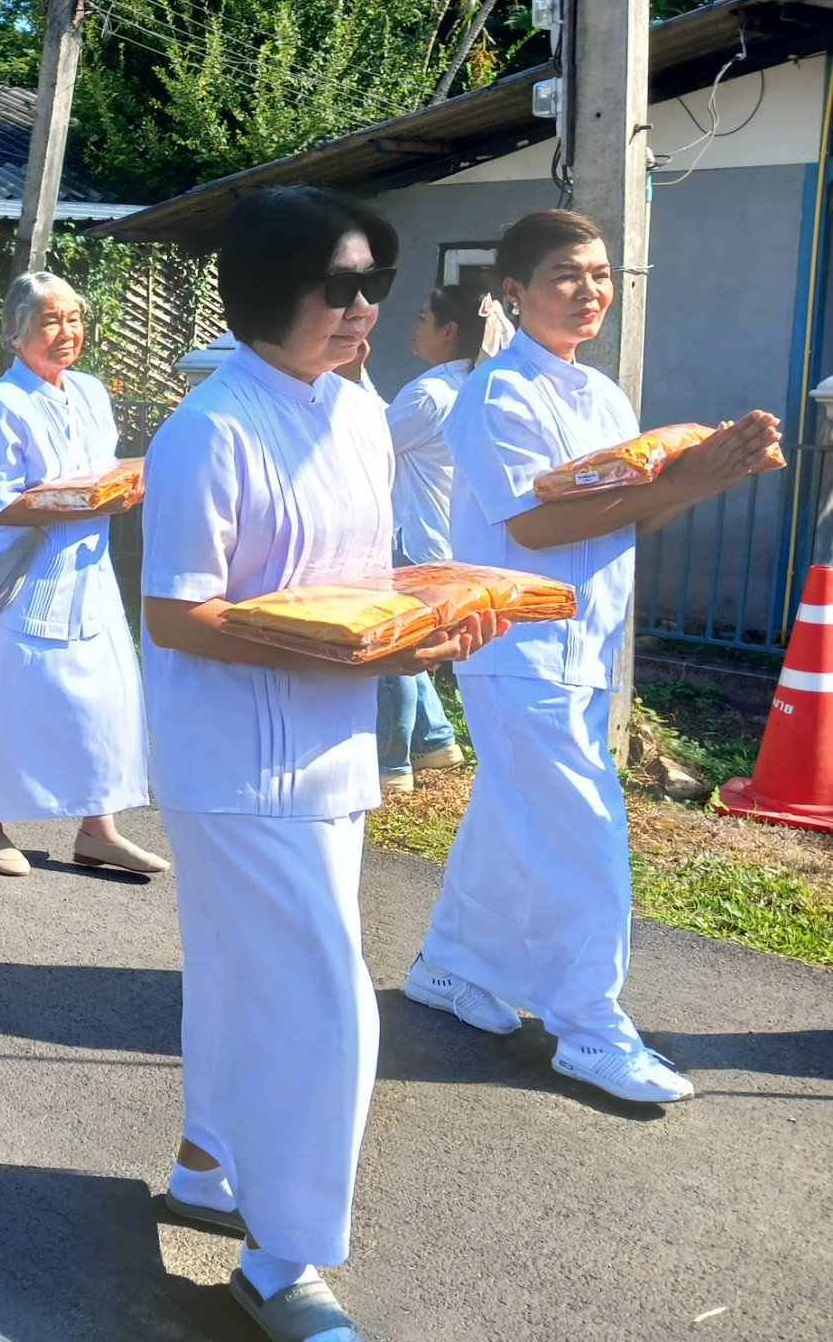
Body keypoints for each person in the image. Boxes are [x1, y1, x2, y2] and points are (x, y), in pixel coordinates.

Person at [140, 187, 500, 1341]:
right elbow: (178, 613)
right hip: (238, 757)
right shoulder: (209, 426)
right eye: (337, 286)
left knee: (251, 974)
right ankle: (285, 1256)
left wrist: (426, 625)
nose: (361, 310)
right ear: (266, 289)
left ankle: (207, 1163)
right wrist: (323, 636)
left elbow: (371, 572)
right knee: (330, 1005)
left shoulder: (357, 415)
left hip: (339, 738)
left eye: (373, 286)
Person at [407, 209, 781, 1105]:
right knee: (584, 832)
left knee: (511, 815)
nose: (587, 292)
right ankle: (589, 1027)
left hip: (585, 644)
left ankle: (450, 967)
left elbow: (640, 510)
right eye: (565, 276)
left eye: (600, 275)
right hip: (518, 646)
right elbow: (532, 524)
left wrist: (707, 477)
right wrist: (685, 479)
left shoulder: (603, 397)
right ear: (513, 291)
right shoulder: (497, 396)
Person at [0, 272, 165, 879]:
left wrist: (130, 479)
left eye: (72, 318)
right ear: (17, 333)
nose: (65, 331)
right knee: (9, 704)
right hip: (20, 582)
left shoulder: (92, 392)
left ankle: (99, 830)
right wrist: (86, 502)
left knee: (101, 704)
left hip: (88, 575)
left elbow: (101, 471)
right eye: (49, 320)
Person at [376, 281, 508, 792]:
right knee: (414, 643)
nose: (415, 326)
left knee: (394, 652)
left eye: (423, 317)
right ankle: (434, 740)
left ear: (449, 330)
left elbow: (372, 446)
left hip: (410, 535)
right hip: (444, 537)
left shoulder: (429, 393)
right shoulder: (472, 388)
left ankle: (391, 765)